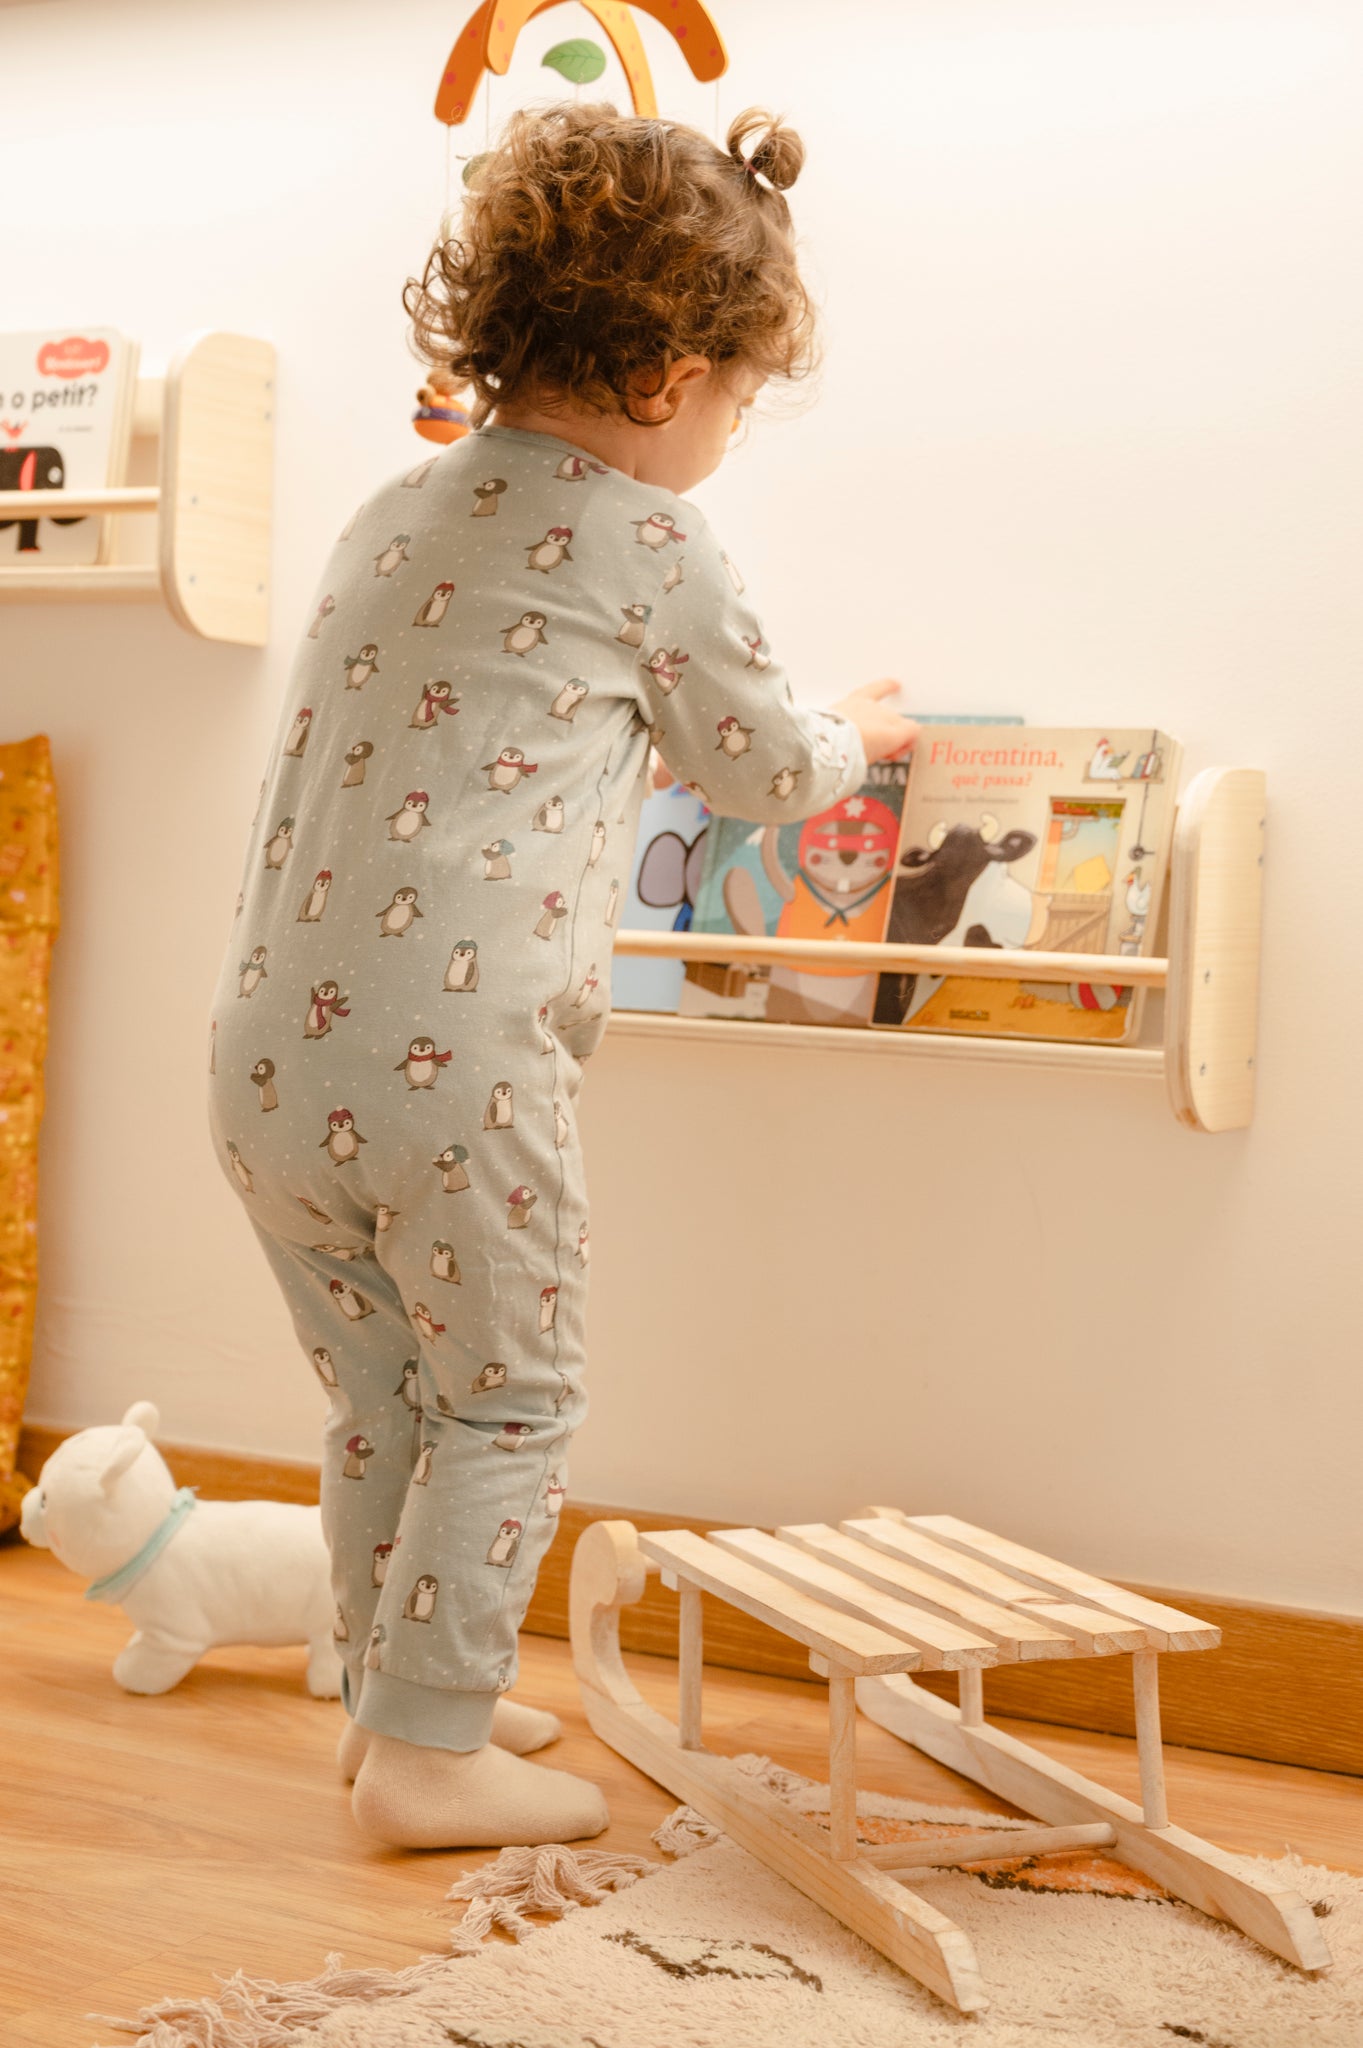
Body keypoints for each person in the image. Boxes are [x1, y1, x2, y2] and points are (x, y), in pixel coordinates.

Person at [206, 100, 918, 1851]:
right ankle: (433, 1760)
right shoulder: (650, 540)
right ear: (675, 372)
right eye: (744, 402)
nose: (731, 435)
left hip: (267, 1059)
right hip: (457, 1062)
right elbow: (752, 763)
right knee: (513, 1390)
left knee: (386, 1392)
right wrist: (862, 734)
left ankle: (397, 1699)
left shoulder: (392, 505)